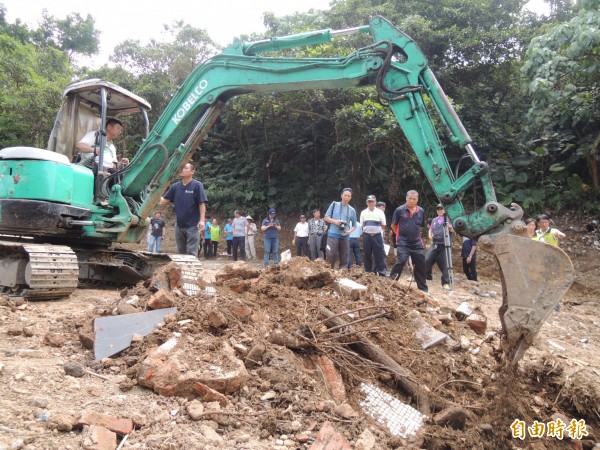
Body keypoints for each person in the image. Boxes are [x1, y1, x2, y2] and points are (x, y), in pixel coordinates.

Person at [160, 162, 207, 258]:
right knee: (181, 253)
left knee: (191, 254)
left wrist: (202, 220)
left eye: (185, 168)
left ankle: (193, 272)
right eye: (181, 168)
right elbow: (164, 201)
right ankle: (183, 272)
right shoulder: (175, 186)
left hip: (193, 226)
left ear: (192, 171)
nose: (182, 169)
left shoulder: (197, 185)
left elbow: (202, 203)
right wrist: (153, 195)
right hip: (179, 226)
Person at [389, 190, 428, 292]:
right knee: (401, 261)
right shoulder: (399, 210)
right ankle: (390, 284)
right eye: (410, 199)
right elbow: (393, 225)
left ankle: (423, 289)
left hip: (416, 242)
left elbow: (420, 226)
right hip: (403, 242)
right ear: (406, 198)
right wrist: (399, 234)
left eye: (414, 199)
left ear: (417, 199)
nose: (411, 201)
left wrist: (415, 234)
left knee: (420, 264)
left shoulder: (421, 211)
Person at [324, 188, 358, 269]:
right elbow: (326, 218)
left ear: (351, 198)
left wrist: (348, 232)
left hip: (345, 236)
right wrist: (335, 222)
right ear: (341, 195)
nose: (346, 197)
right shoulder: (334, 204)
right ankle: (328, 272)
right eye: (345, 195)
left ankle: (343, 274)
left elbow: (354, 225)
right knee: (331, 255)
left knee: (345, 258)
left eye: (348, 196)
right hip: (333, 235)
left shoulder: (352, 210)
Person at [425, 204, 454, 289]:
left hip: (446, 245)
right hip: (435, 244)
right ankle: (421, 277)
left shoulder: (449, 219)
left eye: (441, 208)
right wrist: (430, 235)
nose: (439, 210)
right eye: (438, 208)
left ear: (445, 210)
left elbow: (454, 230)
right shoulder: (434, 220)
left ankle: (446, 283)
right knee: (426, 259)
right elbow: (431, 229)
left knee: (446, 264)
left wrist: (449, 227)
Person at [360, 195, 387, 276]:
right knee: (367, 254)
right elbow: (362, 225)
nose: (371, 203)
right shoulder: (363, 212)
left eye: (372, 201)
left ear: (375, 202)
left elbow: (383, 225)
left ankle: (381, 272)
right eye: (369, 201)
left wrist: (376, 231)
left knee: (379, 254)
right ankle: (368, 272)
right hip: (367, 236)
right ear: (367, 202)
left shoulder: (380, 212)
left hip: (377, 236)